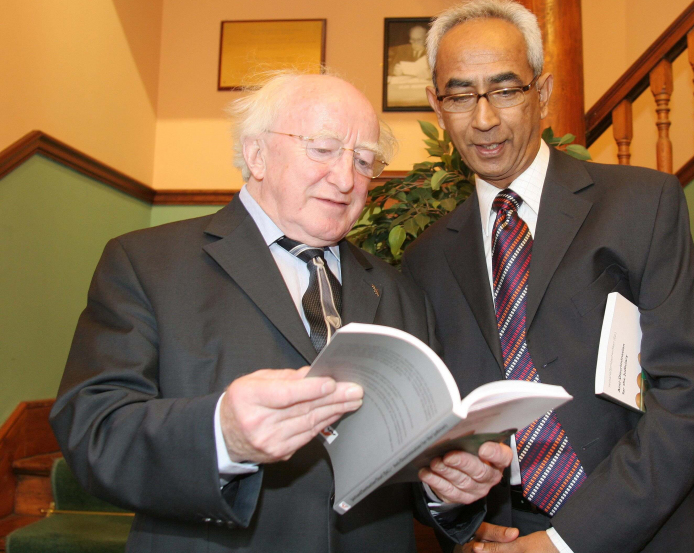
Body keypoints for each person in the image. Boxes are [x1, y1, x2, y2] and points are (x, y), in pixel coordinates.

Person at [49, 71, 511, 552]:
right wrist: (222, 435)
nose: (346, 177)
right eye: (324, 148)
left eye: (364, 159)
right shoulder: (147, 263)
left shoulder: (399, 290)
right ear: (257, 154)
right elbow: (93, 431)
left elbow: (415, 463)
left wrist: (446, 488)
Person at [402, 0, 694, 553]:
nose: (484, 118)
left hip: (667, 531)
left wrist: (565, 543)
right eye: (459, 95)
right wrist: (460, 519)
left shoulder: (643, 204)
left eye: (506, 89)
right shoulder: (425, 261)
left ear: (542, 92)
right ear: (436, 103)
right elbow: (431, 440)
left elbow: (686, 399)